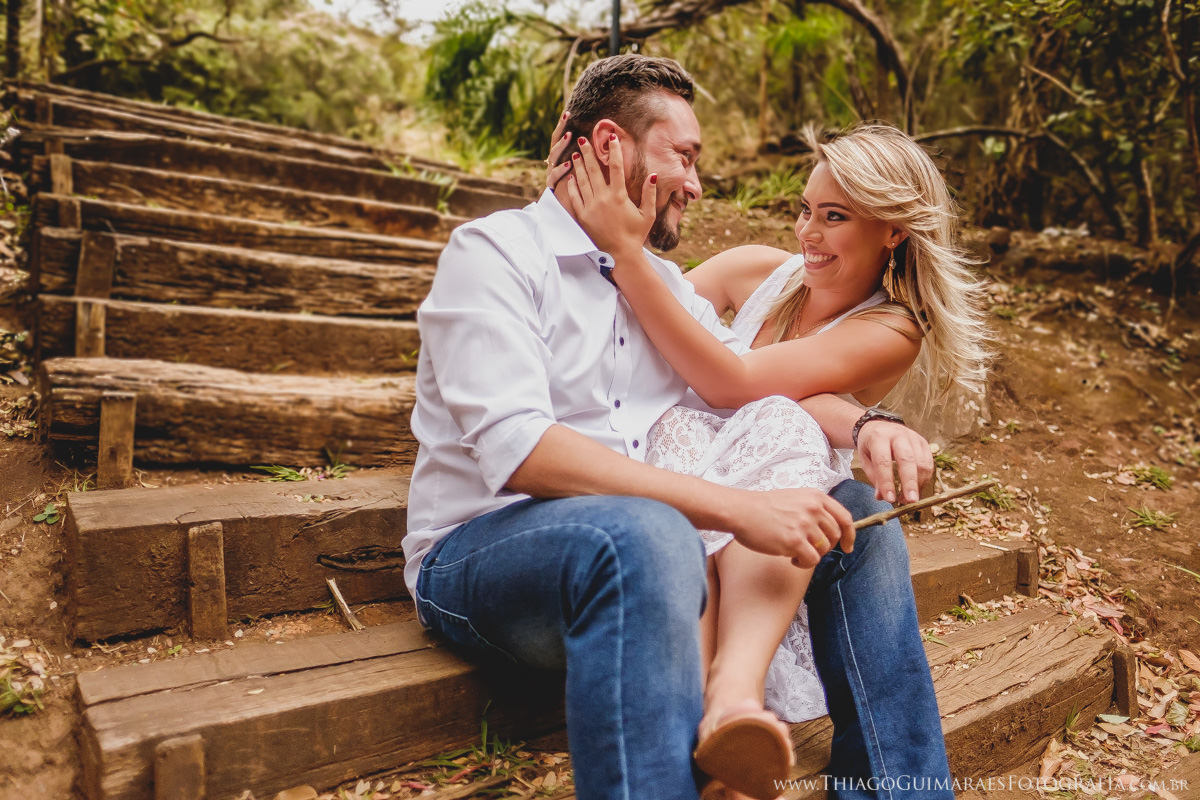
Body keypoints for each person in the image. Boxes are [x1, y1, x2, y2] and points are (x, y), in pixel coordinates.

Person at [404, 53, 951, 800]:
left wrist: (867, 427)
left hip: (652, 558)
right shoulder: (496, 254)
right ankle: (695, 753)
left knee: (855, 518)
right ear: (608, 146)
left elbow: (755, 388)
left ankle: (890, 787)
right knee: (649, 532)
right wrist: (738, 508)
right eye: (685, 158)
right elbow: (520, 450)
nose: (697, 184)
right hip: (487, 554)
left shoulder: (657, 283)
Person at [556, 120, 991, 799]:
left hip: (782, 511)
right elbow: (630, 336)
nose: (807, 233)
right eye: (804, 210)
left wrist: (860, 417)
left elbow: (743, 386)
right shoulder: (755, 271)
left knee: (806, 451)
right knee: (682, 429)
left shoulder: (892, 325)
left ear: (894, 231)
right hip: (682, 481)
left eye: (834, 217)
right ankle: (718, 721)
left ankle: (736, 702)